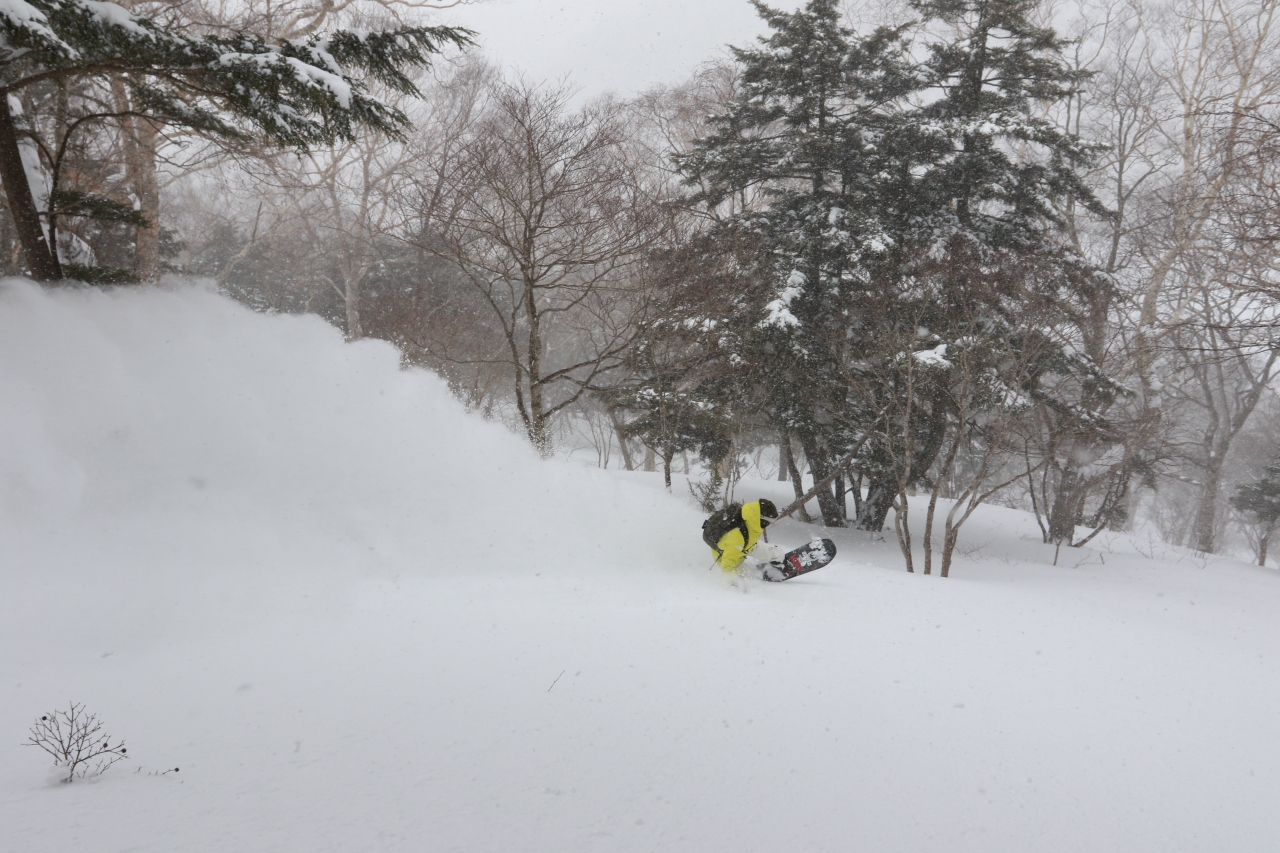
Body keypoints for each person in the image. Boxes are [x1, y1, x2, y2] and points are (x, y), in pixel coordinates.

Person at [702, 498, 786, 576]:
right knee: (749, 577)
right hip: (727, 554)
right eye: (769, 521)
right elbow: (727, 566)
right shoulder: (736, 538)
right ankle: (755, 575)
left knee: (772, 553)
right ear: (760, 518)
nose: (768, 524)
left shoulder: (750, 517)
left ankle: (778, 556)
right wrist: (735, 582)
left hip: (748, 543)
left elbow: (749, 538)